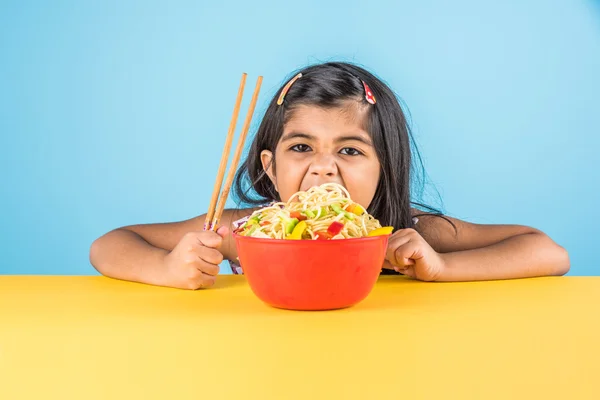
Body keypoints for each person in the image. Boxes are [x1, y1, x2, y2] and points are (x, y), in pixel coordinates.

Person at [90, 62, 569, 289]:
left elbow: (548, 251)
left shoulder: (403, 236)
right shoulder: (245, 232)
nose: (324, 166)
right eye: (301, 148)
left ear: (385, 169)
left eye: (351, 150)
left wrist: (443, 268)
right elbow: (111, 243)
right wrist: (166, 268)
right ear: (269, 167)